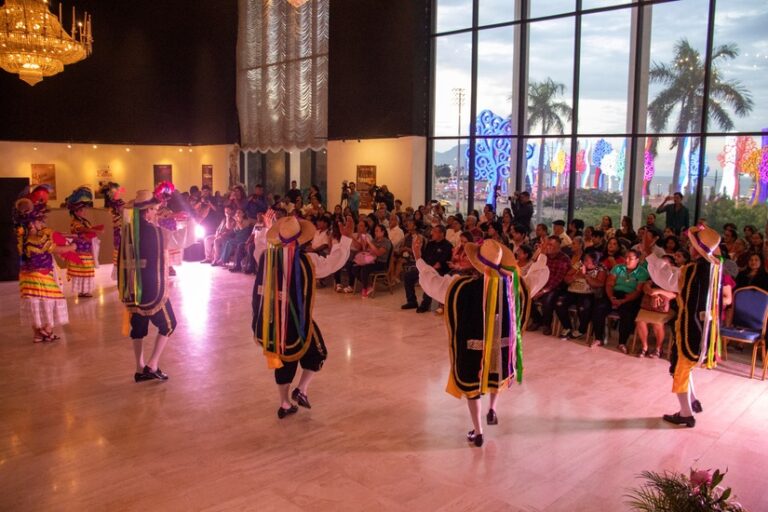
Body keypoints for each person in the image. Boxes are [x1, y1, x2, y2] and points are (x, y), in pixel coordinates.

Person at [413, 237, 541, 447]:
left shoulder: (460, 287)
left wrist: (419, 258)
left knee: (473, 387)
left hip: (473, 350)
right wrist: (540, 260)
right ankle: (492, 410)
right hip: (501, 348)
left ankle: (479, 432)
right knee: (495, 375)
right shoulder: (513, 287)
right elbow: (535, 280)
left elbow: (431, 283)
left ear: (476, 263)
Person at [252, 216, 353, 418]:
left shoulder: (265, 256)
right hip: (298, 322)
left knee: (283, 360)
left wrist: (266, 227)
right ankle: (301, 389)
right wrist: (345, 240)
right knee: (318, 353)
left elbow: (259, 244)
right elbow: (333, 263)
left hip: (270, 322)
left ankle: (285, 402)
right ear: (303, 239)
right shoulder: (308, 261)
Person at [646, 225, 722, 428]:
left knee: (679, 367)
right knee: (685, 366)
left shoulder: (693, 270)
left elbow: (669, 280)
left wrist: (653, 258)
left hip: (690, 326)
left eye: (692, 245)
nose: (689, 247)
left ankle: (686, 413)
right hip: (704, 323)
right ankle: (692, 402)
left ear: (697, 249)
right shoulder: (713, 266)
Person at [118, 190, 191, 382]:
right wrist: (184, 223)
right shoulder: (153, 231)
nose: (156, 212)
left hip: (132, 287)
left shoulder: (129, 229)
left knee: (139, 327)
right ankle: (152, 364)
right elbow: (177, 240)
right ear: (147, 211)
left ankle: (139, 367)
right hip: (151, 287)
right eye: (154, 209)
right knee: (169, 324)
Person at [13, 198, 77, 343]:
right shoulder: (37, 237)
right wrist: (72, 247)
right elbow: (55, 248)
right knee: (50, 300)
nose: (42, 223)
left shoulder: (21, 233)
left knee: (35, 303)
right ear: (33, 221)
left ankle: (37, 334)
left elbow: (50, 238)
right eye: (40, 220)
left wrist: (65, 236)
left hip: (26, 275)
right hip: (40, 274)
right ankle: (48, 331)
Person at [555, 242, 606, 340]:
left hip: (588, 294)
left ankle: (582, 329)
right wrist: (575, 276)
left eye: (587, 260)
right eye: (584, 259)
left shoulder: (600, 268)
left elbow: (599, 284)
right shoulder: (579, 265)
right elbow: (566, 279)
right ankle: (567, 326)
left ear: (594, 261)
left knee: (583, 308)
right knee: (559, 303)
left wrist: (586, 276)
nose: (584, 261)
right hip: (572, 291)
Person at [605, 249, 650, 353]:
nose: (627, 260)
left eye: (630, 258)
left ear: (637, 260)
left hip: (630, 296)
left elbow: (638, 291)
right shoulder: (618, 267)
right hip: (615, 293)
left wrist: (622, 301)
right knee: (599, 306)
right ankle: (598, 338)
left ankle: (622, 342)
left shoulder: (642, 272)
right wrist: (611, 297)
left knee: (627, 313)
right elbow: (609, 284)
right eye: (626, 257)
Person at [402, 225, 453, 313]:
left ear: (442, 234)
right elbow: (424, 257)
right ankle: (411, 301)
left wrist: (429, 269)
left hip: (439, 271)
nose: (432, 233)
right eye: (432, 231)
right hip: (426, 268)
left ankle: (425, 304)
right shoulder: (430, 244)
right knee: (408, 276)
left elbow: (442, 263)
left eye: (435, 231)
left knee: (430, 277)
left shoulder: (448, 245)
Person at [528, 236, 570, 336]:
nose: (548, 247)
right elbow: (534, 270)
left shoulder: (563, 259)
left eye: (551, 245)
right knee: (526, 295)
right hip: (541, 284)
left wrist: (542, 291)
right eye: (547, 245)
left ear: (558, 247)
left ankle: (547, 324)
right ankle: (537, 319)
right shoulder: (543, 256)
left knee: (548, 299)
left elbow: (557, 280)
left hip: (555, 287)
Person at [65, 186, 102, 298]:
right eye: (81, 210)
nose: (83, 211)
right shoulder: (75, 221)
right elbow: (80, 229)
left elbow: (86, 230)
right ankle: (82, 291)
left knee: (86, 270)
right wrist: (93, 230)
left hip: (86, 249)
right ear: (75, 212)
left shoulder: (83, 221)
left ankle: (84, 290)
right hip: (80, 250)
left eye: (83, 209)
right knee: (83, 270)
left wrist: (94, 230)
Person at [101, 182, 125, 281]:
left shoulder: (109, 205)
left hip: (115, 230)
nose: (120, 192)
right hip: (119, 229)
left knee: (117, 249)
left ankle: (119, 274)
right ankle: (121, 275)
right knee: (121, 250)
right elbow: (125, 212)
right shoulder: (117, 203)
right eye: (118, 190)